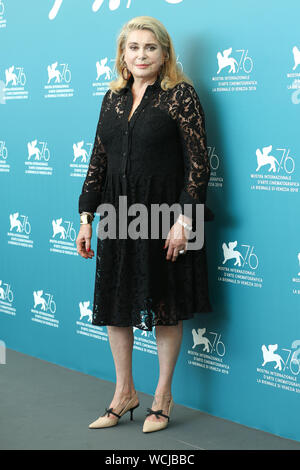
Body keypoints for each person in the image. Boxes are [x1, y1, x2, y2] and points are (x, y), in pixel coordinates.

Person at [76, 16, 214, 433]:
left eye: (149, 48)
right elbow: (97, 161)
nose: (141, 55)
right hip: (117, 214)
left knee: (165, 306)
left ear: (164, 53)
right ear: (122, 54)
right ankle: (124, 394)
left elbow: (198, 164)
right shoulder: (112, 97)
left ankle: (163, 397)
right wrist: (86, 217)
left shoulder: (180, 96)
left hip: (164, 215)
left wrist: (185, 220)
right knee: (116, 306)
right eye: (133, 47)